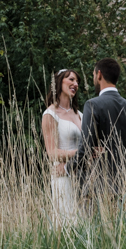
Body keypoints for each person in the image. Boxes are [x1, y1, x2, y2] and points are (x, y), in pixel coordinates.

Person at [74, 58, 126, 215]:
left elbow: (85, 147)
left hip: (97, 184)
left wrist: (69, 168)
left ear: (99, 75)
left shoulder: (92, 104)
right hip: (123, 184)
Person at [41, 68, 83, 225]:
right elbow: (52, 153)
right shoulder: (50, 114)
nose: (75, 84)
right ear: (59, 82)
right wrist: (81, 153)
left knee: (85, 222)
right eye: (71, 79)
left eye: (77, 81)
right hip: (62, 176)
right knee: (67, 222)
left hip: (82, 174)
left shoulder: (80, 114)